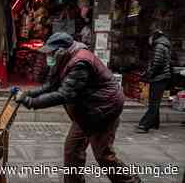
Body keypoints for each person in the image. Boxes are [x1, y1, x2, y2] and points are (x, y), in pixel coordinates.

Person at [15, 32, 143, 183]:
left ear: (61, 50)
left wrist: (30, 102)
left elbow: (63, 94)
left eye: (51, 52)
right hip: (86, 111)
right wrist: (28, 93)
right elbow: (51, 85)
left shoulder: (80, 62)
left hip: (103, 109)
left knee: (104, 155)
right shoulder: (63, 59)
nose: (48, 56)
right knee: (72, 151)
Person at [136, 26, 171, 133]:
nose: (149, 41)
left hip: (159, 77)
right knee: (155, 101)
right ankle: (155, 123)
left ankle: (145, 124)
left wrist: (149, 75)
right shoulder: (162, 44)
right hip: (161, 76)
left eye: (150, 38)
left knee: (154, 102)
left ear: (153, 37)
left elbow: (157, 63)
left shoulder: (159, 45)